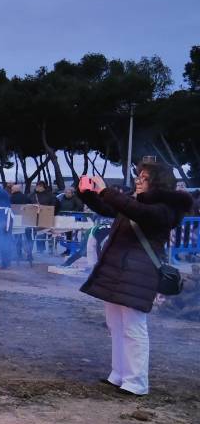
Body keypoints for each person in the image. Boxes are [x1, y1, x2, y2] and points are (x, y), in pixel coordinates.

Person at [78, 163, 192, 396]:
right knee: (116, 325)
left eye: (144, 178)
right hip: (119, 271)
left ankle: (137, 381)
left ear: (158, 182)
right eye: (138, 176)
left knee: (133, 327)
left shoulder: (165, 208)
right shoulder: (136, 202)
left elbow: (137, 212)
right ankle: (119, 374)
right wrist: (88, 193)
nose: (138, 180)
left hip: (139, 273)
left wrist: (106, 191)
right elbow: (109, 208)